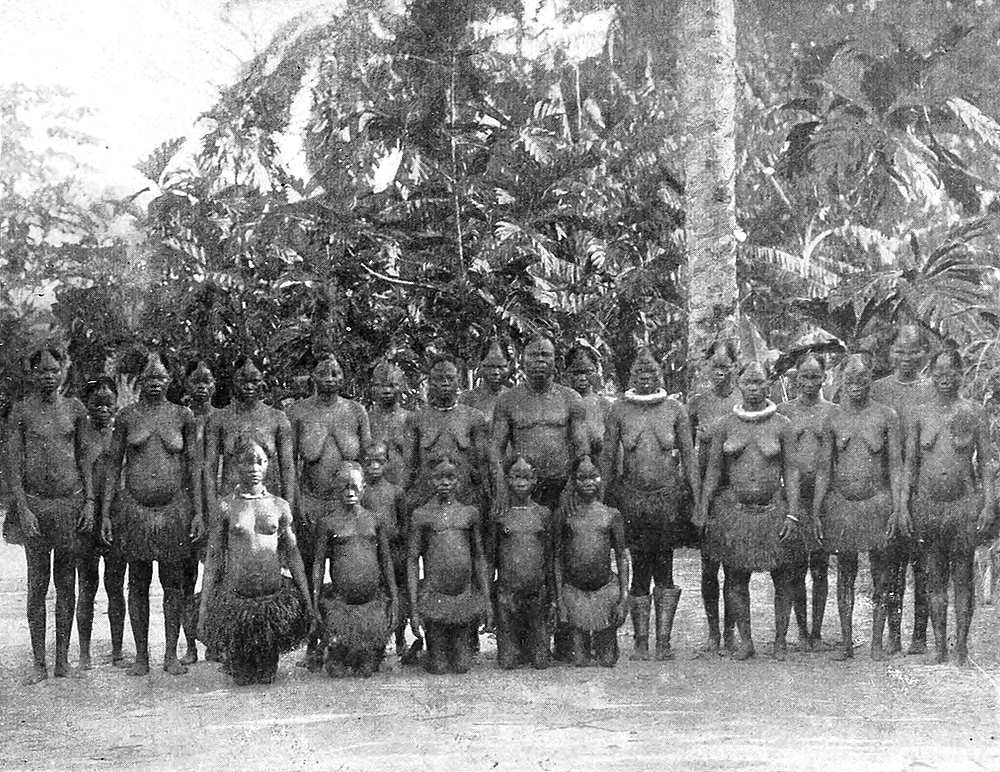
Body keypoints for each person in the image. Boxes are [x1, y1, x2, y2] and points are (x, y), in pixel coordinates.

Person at [101, 352, 205, 676]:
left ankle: (171, 654)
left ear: (170, 381)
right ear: (139, 382)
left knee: (173, 583)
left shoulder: (183, 416)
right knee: (138, 583)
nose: (155, 384)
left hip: (174, 509)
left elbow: (195, 466)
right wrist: (105, 513)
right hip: (135, 509)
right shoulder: (127, 416)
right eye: (149, 379)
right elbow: (113, 465)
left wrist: (198, 512)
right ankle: (142, 656)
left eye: (160, 378)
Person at [697, 360, 802, 662]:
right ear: (739, 384)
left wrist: (793, 513)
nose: (753, 388)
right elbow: (714, 471)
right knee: (735, 577)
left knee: (782, 577)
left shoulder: (782, 424)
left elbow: (791, 471)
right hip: (737, 511)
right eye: (748, 383)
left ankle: (780, 640)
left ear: (768, 384)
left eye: (759, 382)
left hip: (773, 509)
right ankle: (746, 640)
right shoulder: (725, 425)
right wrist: (703, 507)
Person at [602, 347, 699, 660]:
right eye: (639, 372)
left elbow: (689, 457)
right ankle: (641, 641)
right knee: (640, 567)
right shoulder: (619, 409)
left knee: (665, 568)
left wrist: (697, 501)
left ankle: (664, 641)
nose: (645, 377)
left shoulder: (675, 409)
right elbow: (607, 457)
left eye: (651, 372)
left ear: (660, 375)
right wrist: (602, 500)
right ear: (631, 376)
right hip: (632, 500)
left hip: (667, 499)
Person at [4, 347, 94, 683]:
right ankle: (39, 663)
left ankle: (62, 661)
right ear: (32, 374)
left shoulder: (75, 409)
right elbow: (13, 465)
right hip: (36, 506)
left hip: (69, 505)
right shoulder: (21, 411)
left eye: (54, 370)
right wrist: (23, 508)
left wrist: (89, 502)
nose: (49, 376)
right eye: (42, 371)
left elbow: (84, 458)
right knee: (37, 585)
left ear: (63, 371)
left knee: (67, 583)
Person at [903, 350, 996, 665]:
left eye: (950, 373)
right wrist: (904, 506)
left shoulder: (973, 412)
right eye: (939, 373)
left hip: (963, 506)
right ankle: (940, 646)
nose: (944, 379)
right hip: (928, 506)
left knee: (962, 576)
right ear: (931, 375)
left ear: (961, 374)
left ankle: (961, 648)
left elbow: (986, 463)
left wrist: (988, 505)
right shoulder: (920, 413)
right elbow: (910, 465)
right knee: (934, 576)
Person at [198, 436, 314, 685]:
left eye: (260, 462)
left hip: (271, 602)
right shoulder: (226, 506)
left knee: (266, 677)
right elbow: (213, 557)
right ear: (235, 465)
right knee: (243, 679)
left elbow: (293, 554)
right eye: (247, 462)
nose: (254, 469)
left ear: (268, 465)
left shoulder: (279, 506)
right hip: (238, 601)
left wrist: (307, 599)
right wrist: (204, 605)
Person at [812, 354, 904, 662]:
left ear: (870, 380)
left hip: (877, 503)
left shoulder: (886, 416)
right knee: (845, 574)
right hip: (842, 505)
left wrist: (897, 507)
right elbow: (824, 469)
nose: (856, 385)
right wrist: (817, 509)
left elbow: (895, 466)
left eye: (862, 379)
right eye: (850, 380)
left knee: (882, 575)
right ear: (842, 381)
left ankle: (877, 642)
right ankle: (847, 642)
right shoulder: (833, 418)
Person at [871, 324, 934, 655]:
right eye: (899, 351)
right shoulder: (878, 390)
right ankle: (893, 634)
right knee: (888, 569)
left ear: (924, 354)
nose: (906, 358)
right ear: (889, 353)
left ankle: (919, 636)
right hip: (885, 491)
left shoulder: (932, 389)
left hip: (923, 491)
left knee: (923, 567)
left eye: (913, 352)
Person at [287, 354, 371, 594]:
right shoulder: (298, 412)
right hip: (311, 501)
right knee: (308, 566)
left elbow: (367, 460)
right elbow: (289, 463)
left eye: (336, 373)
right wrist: (296, 504)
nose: (330, 379)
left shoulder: (356, 411)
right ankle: (310, 614)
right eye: (323, 373)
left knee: (346, 568)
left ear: (343, 377)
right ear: (312, 377)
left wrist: (361, 506)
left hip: (346, 505)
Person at [408, 454, 492, 675]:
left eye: (450, 478)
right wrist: (415, 607)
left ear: (458, 480)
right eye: (439, 478)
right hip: (435, 597)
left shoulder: (469, 513)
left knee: (461, 667)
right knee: (439, 668)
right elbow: (412, 560)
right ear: (430, 481)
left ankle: (456, 647)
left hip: (462, 596)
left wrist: (486, 600)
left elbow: (479, 557)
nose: (445, 483)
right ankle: (426, 653)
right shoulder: (421, 515)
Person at [314, 462, 399, 677]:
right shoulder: (328, 523)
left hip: (370, 603)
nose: (350, 492)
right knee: (337, 671)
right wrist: (315, 601)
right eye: (344, 487)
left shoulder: (374, 520)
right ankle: (337, 652)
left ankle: (368, 653)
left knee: (366, 670)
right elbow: (319, 563)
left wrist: (394, 598)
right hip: (342, 604)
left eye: (354, 487)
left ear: (363, 488)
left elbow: (386, 560)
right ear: (335, 488)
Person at [777, 354, 834, 651]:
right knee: (796, 567)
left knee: (820, 567)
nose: (810, 383)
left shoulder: (834, 412)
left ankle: (817, 632)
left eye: (815, 377)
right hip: (794, 497)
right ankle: (801, 630)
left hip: (825, 497)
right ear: (795, 378)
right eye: (804, 377)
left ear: (824, 377)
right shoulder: (784, 412)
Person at [688, 339, 741, 655]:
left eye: (725, 365)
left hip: (735, 493)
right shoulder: (698, 403)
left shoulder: (744, 399)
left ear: (735, 366)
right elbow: (685, 449)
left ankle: (731, 632)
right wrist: (695, 496)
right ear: (706, 367)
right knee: (709, 567)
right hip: (707, 491)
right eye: (715, 366)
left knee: (734, 567)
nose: (720, 372)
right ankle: (712, 632)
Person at [555, 457, 629, 667]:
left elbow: (622, 557)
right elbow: (557, 558)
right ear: (573, 481)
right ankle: (580, 640)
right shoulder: (565, 515)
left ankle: (604, 638)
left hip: (604, 591)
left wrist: (623, 598)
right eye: (582, 478)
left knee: (607, 661)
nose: (588, 482)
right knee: (580, 661)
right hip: (575, 593)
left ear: (602, 478)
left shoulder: (611, 515)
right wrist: (560, 600)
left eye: (593, 476)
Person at [76, 376, 127, 669]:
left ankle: (117, 651)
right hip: (87, 516)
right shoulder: (81, 434)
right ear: (87, 405)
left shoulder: (121, 434)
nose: (103, 409)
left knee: (115, 585)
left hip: (116, 516)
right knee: (86, 585)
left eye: (109, 403)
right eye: (97, 404)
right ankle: (84, 652)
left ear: (117, 404)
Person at [493, 456, 555, 670]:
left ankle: (535, 646)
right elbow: (490, 558)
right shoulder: (501, 515)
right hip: (508, 594)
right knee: (508, 663)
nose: (521, 482)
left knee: (541, 662)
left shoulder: (543, 513)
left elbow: (550, 557)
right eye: (516, 477)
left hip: (536, 593)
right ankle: (512, 646)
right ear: (507, 480)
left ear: (535, 479)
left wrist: (553, 598)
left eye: (526, 477)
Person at [360, 442, 415, 659]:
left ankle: (400, 638)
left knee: (398, 594)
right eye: (369, 462)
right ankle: (378, 642)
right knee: (377, 594)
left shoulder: (396, 491)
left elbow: (404, 523)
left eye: (379, 462)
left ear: (387, 463)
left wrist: (397, 538)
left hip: (395, 551)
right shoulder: (361, 493)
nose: (374, 466)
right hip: (371, 552)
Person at [180, 360, 216, 665]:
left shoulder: (222, 418)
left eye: (207, 381)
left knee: (217, 576)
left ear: (215, 385)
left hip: (216, 504)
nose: (202, 387)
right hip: (187, 505)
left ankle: (216, 640)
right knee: (186, 577)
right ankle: (189, 643)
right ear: (187, 384)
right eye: (196, 381)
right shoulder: (180, 418)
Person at [566, 343, 612, 459]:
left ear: (596, 371)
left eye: (588, 372)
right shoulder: (560, 403)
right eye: (576, 373)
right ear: (566, 373)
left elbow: (614, 448)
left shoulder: (604, 406)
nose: (582, 378)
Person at [368, 359, 410, 485]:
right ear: (373, 388)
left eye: (392, 385)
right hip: (372, 486)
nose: (386, 390)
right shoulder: (366, 419)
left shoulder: (411, 419)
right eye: (381, 385)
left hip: (403, 485)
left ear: (401, 386)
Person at [459, 340, 510, 424]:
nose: (495, 372)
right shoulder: (466, 400)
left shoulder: (517, 399)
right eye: (490, 366)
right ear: (480, 365)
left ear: (508, 366)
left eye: (501, 366)